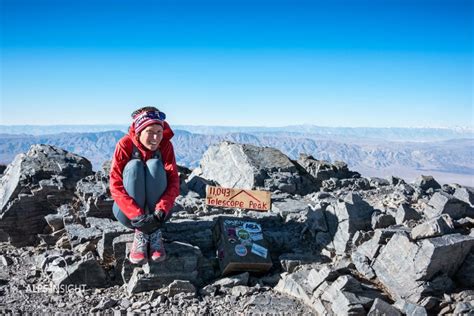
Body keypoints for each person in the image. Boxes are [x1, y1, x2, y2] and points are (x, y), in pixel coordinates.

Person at [109, 106, 180, 264]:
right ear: (139, 131)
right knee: (134, 166)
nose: (155, 138)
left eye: (159, 132)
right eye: (150, 132)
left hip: (159, 215)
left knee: (155, 165)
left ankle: (154, 232)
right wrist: (137, 216)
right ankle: (140, 232)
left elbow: (174, 181)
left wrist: (161, 209)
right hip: (129, 215)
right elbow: (115, 184)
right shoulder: (125, 145)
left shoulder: (166, 146)